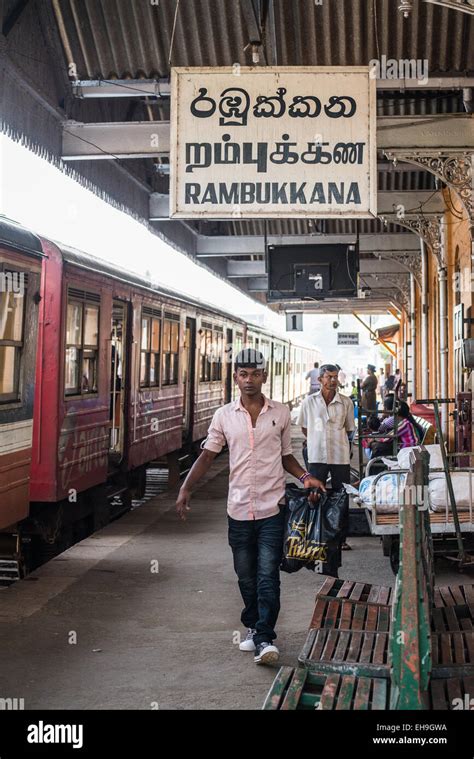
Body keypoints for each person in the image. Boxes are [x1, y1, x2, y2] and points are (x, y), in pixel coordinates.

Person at [175, 349, 325, 666]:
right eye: (243, 374)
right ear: (236, 378)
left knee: (268, 574)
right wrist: (186, 487)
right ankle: (254, 626)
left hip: (273, 507)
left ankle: (265, 638)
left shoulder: (281, 413)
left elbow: (286, 456)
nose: (249, 380)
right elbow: (207, 456)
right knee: (246, 576)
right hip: (239, 509)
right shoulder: (224, 416)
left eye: (255, 374)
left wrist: (306, 476)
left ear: (264, 376)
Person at [298, 363, 355, 554]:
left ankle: (341, 539)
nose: (333, 380)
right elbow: (305, 428)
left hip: (340, 455)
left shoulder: (346, 402)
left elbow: (349, 429)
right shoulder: (309, 402)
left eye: (335, 377)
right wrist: (317, 439)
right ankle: (316, 535)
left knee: (341, 497)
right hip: (317, 455)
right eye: (329, 377)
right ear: (319, 379)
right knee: (315, 495)